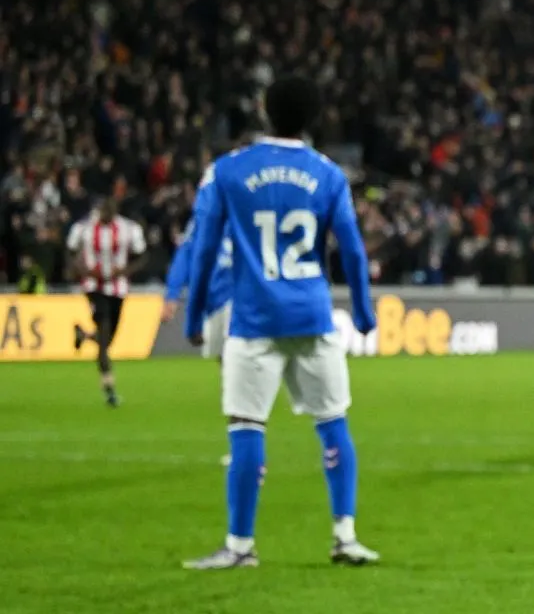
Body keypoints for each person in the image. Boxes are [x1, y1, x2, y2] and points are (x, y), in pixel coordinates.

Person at [181, 76, 379, 570]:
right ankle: (346, 536)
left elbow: (204, 248)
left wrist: (196, 311)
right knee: (333, 422)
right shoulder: (328, 174)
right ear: (312, 119)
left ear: (265, 112)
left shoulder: (228, 170)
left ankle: (240, 546)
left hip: (254, 319)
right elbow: (351, 249)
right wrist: (362, 310)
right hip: (311, 315)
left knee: (247, 426)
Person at [66, 195, 147, 407]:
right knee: (104, 331)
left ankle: (83, 334)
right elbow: (70, 252)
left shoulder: (129, 229)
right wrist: (83, 270)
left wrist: (125, 271)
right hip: (94, 288)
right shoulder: (83, 228)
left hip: (118, 289)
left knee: (108, 340)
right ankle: (109, 388)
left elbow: (143, 256)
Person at [163, 216, 234, 362]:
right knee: (227, 357)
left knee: (235, 355)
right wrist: (172, 294)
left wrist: (172, 295)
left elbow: (185, 254)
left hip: (235, 295)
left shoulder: (204, 216)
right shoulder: (201, 219)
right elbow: (185, 254)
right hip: (217, 298)